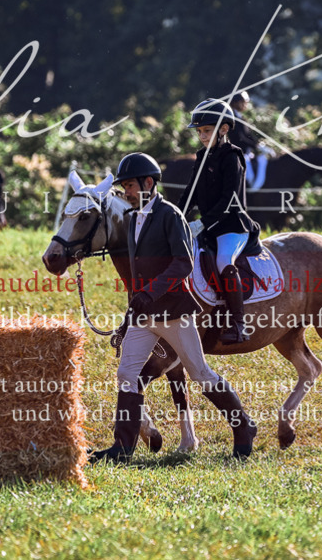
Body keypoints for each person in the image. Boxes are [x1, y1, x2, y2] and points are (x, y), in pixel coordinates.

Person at [89, 152, 257, 463]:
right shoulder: (132, 218)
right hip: (143, 315)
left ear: (148, 183)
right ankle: (122, 449)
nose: (126, 192)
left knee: (200, 373)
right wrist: (130, 316)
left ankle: (244, 425)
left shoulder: (169, 215)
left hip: (172, 312)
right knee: (127, 374)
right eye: (123, 187)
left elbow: (183, 263)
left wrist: (150, 294)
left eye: (129, 186)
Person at [179, 99, 262, 345]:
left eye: (207, 130)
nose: (202, 136)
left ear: (224, 129)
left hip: (233, 226)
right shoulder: (202, 156)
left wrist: (202, 223)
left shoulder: (232, 157)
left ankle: (238, 323)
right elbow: (190, 194)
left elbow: (230, 199)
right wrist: (177, 217)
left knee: (224, 260)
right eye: (199, 132)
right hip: (209, 227)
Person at [229, 91, 268, 191]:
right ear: (236, 103)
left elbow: (249, 136)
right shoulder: (231, 118)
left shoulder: (241, 118)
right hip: (236, 152)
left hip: (246, 152)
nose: (245, 105)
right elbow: (240, 138)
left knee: (261, 160)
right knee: (248, 174)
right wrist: (256, 147)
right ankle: (249, 189)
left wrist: (258, 144)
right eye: (243, 102)